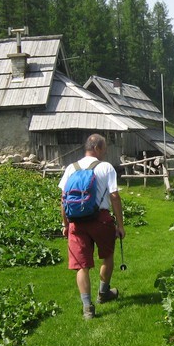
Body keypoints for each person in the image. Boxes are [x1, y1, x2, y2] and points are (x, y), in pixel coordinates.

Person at [58, 133, 126, 320]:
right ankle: (103, 294)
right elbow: (114, 196)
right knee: (108, 256)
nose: (105, 152)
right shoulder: (106, 167)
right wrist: (120, 225)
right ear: (97, 148)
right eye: (104, 148)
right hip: (100, 219)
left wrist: (66, 225)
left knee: (81, 265)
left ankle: (88, 307)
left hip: (76, 223)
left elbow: (64, 200)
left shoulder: (71, 168)